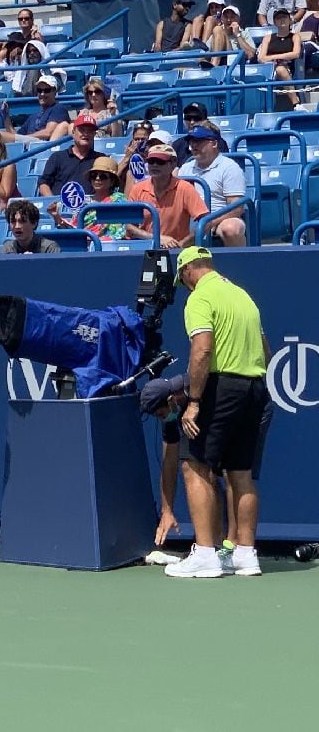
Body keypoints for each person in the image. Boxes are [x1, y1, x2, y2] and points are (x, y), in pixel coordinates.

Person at [164, 246, 271, 579]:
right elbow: (266, 351)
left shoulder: (199, 298)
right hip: (255, 388)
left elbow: (202, 350)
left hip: (221, 387)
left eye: (184, 279)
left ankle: (207, 554)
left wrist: (194, 401)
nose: (186, 286)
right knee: (240, 472)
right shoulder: (243, 297)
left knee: (194, 465)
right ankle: (245, 555)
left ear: (189, 271)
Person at [140, 372, 274, 559]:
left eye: (162, 414)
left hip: (252, 408)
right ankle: (215, 543)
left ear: (171, 399)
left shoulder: (202, 392)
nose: (163, 418)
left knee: (233, 470)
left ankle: (233, 545)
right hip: (221, 410)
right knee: (203, 470)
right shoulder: (171, 413)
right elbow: (169, 463)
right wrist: (167, 511)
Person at [177, 122, 247, 248]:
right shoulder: (185, 168)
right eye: (191, 141)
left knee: (231, 228)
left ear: (214, 143)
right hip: (192, 219)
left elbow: (236, 208)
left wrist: (209, 222)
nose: (193, 145)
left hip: (219, 219)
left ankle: (241, 264)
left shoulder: (229, 167)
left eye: (199, 140)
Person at [127, 144, 208, 247]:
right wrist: (157, 238)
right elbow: (129, 227)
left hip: (176, 250)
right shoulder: (138, 189)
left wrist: (182, 244)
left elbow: (206, 221)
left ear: (173, 164)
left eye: (160, 162)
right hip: (144, 248)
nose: (155, 165)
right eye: (151, 161)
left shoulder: (185, 188)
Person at [49, 157, 131, 239]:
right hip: (82, 246)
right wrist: (56, 216)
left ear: (112, 181)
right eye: (94, 175)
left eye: (103, 176)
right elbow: (74, 230)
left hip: (107, 247)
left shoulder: (119, 200)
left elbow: (120, 232)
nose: (97, 179)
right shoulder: (83, 203)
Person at [38, 111, 106, 196]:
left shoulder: (100, 159)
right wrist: (53, 201)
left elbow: (110, 183)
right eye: (82, 130)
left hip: (90, 206)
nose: (85, 134)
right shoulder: (57, 157)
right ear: (73, 133)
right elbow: (44, 184)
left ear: (94, 134)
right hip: (60, 206)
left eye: (90, 131)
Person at [0, 76, 69, 143]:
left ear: (54, 91)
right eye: (39, 90)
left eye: (46, 90)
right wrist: (6, 118)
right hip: (28, 148)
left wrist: (25, 138)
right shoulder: (33, 116)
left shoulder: (58, 108)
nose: (42, 94)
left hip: (42, 147)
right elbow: (16, 137)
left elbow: (48, 133)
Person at [257, 9, 302, 108]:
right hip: (269, 68)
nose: (282, 20)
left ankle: (296, 104)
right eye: (278, 18)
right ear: (275, 22)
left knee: (281, 69)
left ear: (289, 20)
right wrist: (279, 58)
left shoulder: (295, 37)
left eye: (284, 17)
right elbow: (261, 58)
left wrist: (273, 57)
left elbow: (296, 54)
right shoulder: (268, 38)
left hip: (289, 67)